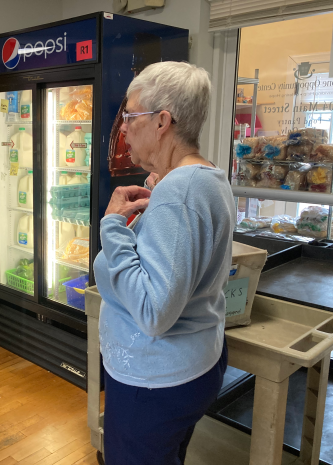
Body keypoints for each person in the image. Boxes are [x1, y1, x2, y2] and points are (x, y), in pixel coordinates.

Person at [94, 61, 235, 464]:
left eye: (129, 116)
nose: (122, 127)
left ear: (162, 121)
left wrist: (113, 227)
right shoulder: (207, 177)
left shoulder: (180, 192)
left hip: (154, 379)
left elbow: (154, 312)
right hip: (189, 365)